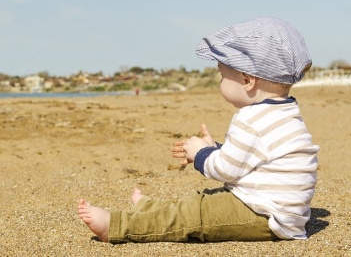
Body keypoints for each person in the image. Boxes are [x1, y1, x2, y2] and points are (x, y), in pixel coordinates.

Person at [77, 17, 319, 243]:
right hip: (282, 212)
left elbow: (225, 170)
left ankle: (117, 226)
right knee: (202, 200)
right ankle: (150, 209)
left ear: (247, 80)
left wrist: (200, 155)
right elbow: (253, 159)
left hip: (264, 215)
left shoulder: (250, 119)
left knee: (194, 214)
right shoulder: (285, 112)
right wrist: (216, 149)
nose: (220, 81)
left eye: (223, 76)